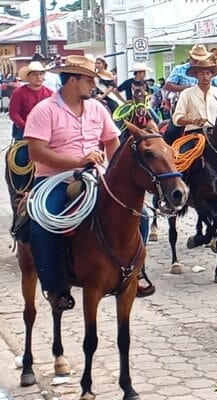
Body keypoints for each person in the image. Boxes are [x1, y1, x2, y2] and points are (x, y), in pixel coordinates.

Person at [24, 55, 154, 310]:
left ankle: (135, 272)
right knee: (41, 224)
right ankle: (55, 287)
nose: (94, 85)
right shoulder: (45, 110)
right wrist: (77, 161)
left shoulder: (97, 108)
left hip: (96, 174)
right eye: (89, 80)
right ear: (72, 81)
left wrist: (113, 169)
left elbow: (112, 142)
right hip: (53, 179)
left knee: (144, 215)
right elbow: (36, 152)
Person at [171, 58, 217, 137]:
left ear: (211, 75)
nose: (205, 77)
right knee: (185, 149)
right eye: (201, 74)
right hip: (194, 134)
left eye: (208, 73)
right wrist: (193, 121)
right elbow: (177, 118)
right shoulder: (186, 94)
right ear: (196, 75)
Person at [9, 61, 52, 140]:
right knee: (21, 151)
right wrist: (26, 127)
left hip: (44, 131)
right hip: (23, 130)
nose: (38, 77)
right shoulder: (18, 93)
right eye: (35, 74)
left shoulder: (50, 93)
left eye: (40, 74)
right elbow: (14, 114)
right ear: (28, 77)